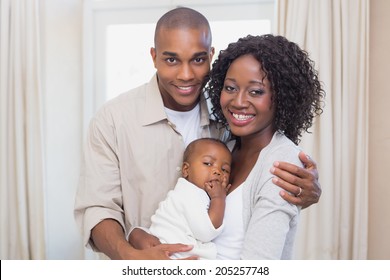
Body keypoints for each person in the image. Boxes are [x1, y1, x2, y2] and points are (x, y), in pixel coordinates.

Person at [74, 7, 321, 260]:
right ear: (154, 56)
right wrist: (130, 255)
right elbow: (98, 208)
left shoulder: (230, 118)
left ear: (211, 56)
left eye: (198, 59)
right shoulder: (114, 119)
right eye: (171, 60)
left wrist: (305, 193)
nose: (186, 75)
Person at [206, 34, 325, 259]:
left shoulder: (282, 164)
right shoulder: (225, 147)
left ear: (281, 97)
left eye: (256, 91)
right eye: (230, 88)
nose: (239, 101)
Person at [146, 138, 231, 259]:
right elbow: (206, 232)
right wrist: (219, 199)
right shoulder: (188, 192)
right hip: (173, 255)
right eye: (208, 163)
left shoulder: (194, 193)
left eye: (225, 170)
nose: (217, 171)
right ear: (186, 170)